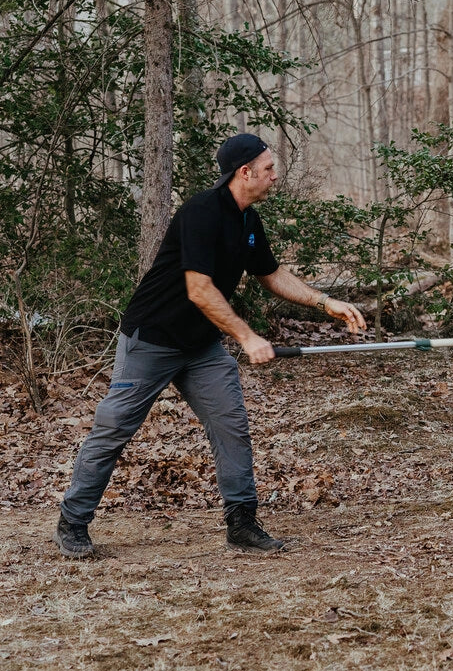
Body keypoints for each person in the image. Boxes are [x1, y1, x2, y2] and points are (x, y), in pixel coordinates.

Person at [54, 133, 366, 558]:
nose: (275, 176)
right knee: (114, 429)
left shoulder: (247, 221)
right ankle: (73, 522)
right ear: (245, 172)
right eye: (269, 168)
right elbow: (199, 289)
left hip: (200, 347)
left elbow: (271, 275)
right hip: (152, 340)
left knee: (231, 425)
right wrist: (247, 336)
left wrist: (324, 301)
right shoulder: (201, 212)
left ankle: (241, 524)